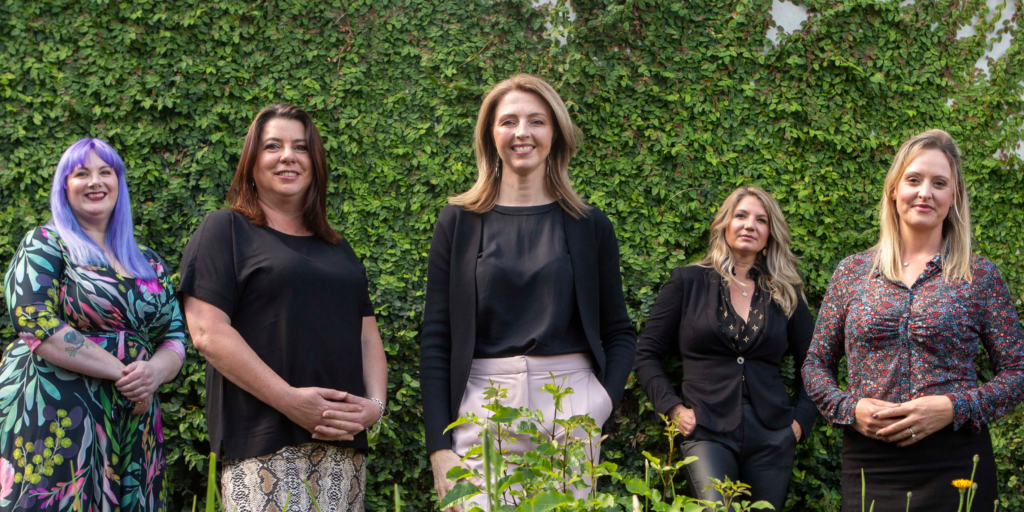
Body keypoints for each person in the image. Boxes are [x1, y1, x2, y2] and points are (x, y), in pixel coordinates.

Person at [420, 74, 636, 510]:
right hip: (483, 404)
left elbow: (619, 330)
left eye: (536, 121)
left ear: (554, 133)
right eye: (509, 121)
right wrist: (438, 444)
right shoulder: (458, 222)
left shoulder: (589, 225)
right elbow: (437, 338)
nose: (522, 132)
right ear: (490, 134)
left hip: (571, 403)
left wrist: (601, 403)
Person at [178, 104, 388, 512]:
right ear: (252, 162)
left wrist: (374, 408)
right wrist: (290, 400)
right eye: (273, 146)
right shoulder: (226, 231)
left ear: (316, 163)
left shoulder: (338, 249)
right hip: (263, 448)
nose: (288, 156)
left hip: (342, 448)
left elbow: (367, 336)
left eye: (301, 147)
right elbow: (207, 332)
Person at [802, 129, 1024, 511]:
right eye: (914, 180)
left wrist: (954, 407)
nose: (925, 193)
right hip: (871, 462)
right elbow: (815, 365)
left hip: (956, 459)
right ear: (893, 189)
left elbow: (1018, 371)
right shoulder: (852, 273)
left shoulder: (979, 276)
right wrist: (851, 410)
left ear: (953, 197)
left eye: (939, 183)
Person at [0, 138, 187, 511]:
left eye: (106, 172)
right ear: (64, 186)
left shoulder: (148, 262)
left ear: (119, 182)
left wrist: (152, 373)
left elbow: (176, 336)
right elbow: (34, 321)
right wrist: (126, 375)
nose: (95, 181)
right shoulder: (45, 244)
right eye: (81, 173)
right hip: (58, 416)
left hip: (133, 419)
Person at [633, 186, 817, 510]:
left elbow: (815, 362)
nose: (750, 225)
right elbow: (645, 353)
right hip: (706, 428)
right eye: (741, 215)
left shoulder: (786, 292)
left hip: (773, 434)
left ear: (770, 234)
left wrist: (800, 422)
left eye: (761, 220)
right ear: (725, 224)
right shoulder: (687, 282)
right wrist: (673, 409)